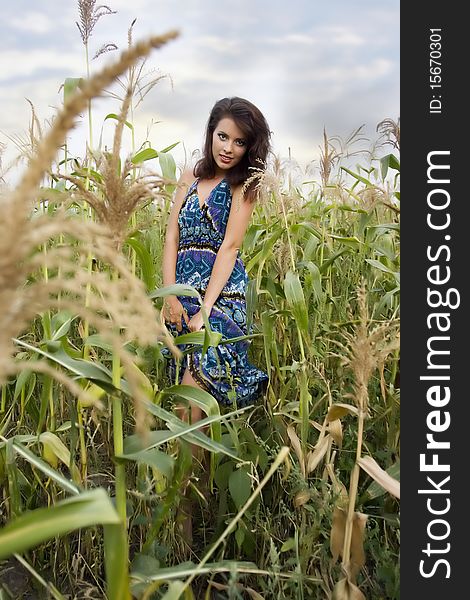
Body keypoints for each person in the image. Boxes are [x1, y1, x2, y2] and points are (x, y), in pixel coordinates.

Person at [161, 97, 271, 423]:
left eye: (240, 142)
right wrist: (169, 295)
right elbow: (171, 237)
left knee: (191, 392)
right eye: (223, 136)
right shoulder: (189, 176)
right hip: (182, 290)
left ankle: (189, 474)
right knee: (185, 394)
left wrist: (207, 309)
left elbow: (231, 247)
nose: (228, 148)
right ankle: (197, 473)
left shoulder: (243, 185)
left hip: (221, 294)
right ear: (211, 132)